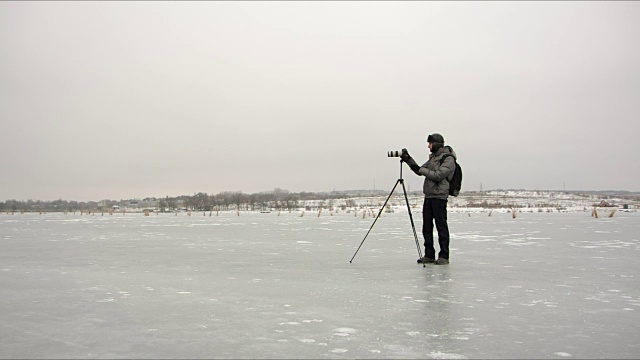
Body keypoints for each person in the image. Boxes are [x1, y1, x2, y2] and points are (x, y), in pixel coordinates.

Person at [401, 133, 456, 265]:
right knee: (427, 227)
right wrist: (409, 160)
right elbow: (420, 170)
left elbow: (438, 175)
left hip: (440, 197)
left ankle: (444, 256)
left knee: (441, 226)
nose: (428, 146)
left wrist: (422, 170)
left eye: (430, 144)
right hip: (429, 196)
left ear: (436, 144)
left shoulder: (448, 159)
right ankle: (429, 255)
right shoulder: (434, 158)